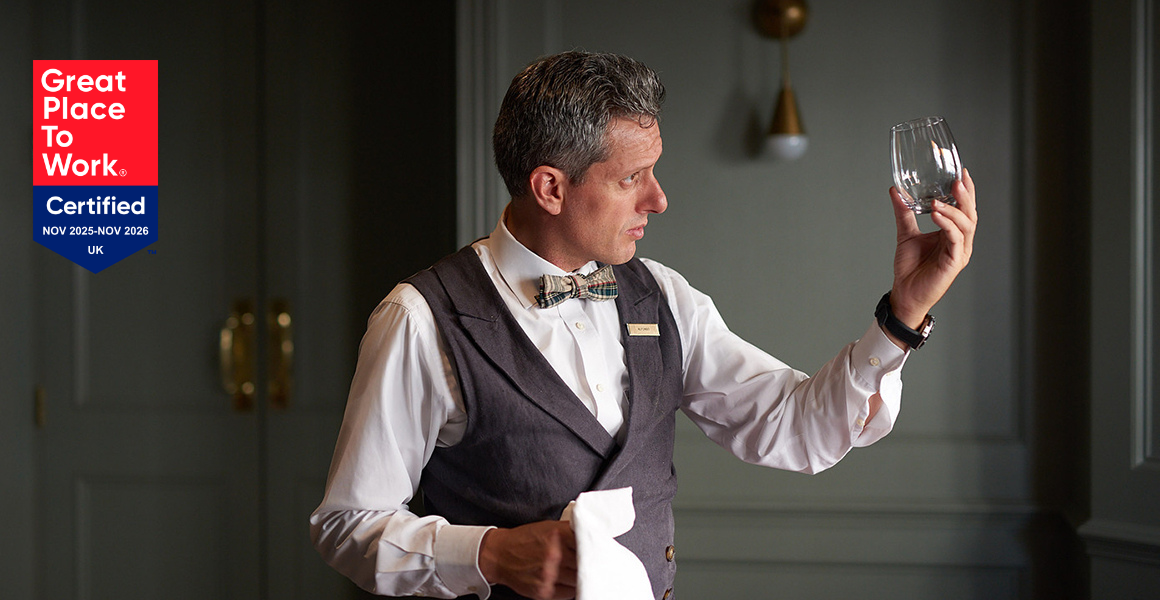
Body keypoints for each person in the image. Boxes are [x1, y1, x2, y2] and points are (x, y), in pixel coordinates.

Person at [310, 50, 977, 600]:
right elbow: (348, 526)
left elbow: (798, 428)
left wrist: (903, 314)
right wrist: (487, 552)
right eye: (633, 177)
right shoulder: (420, 319)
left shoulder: (662, 296)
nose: (658, 199)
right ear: (550, 188)